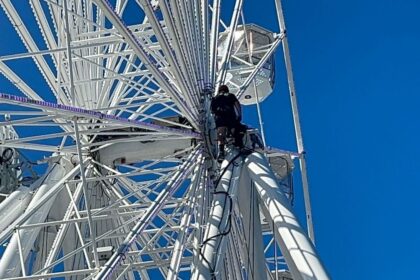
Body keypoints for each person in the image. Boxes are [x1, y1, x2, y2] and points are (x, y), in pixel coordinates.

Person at [211, 85, 245, 162]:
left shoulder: (215, 98)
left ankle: (221, 151)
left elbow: (212, 110)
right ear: (227, 90)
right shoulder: (230, 95)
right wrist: (239, 115)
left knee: (221, 132)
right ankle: (240, 146)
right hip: (230, 115)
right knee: (236, 129)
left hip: (220, 117)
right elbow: (237, 105)